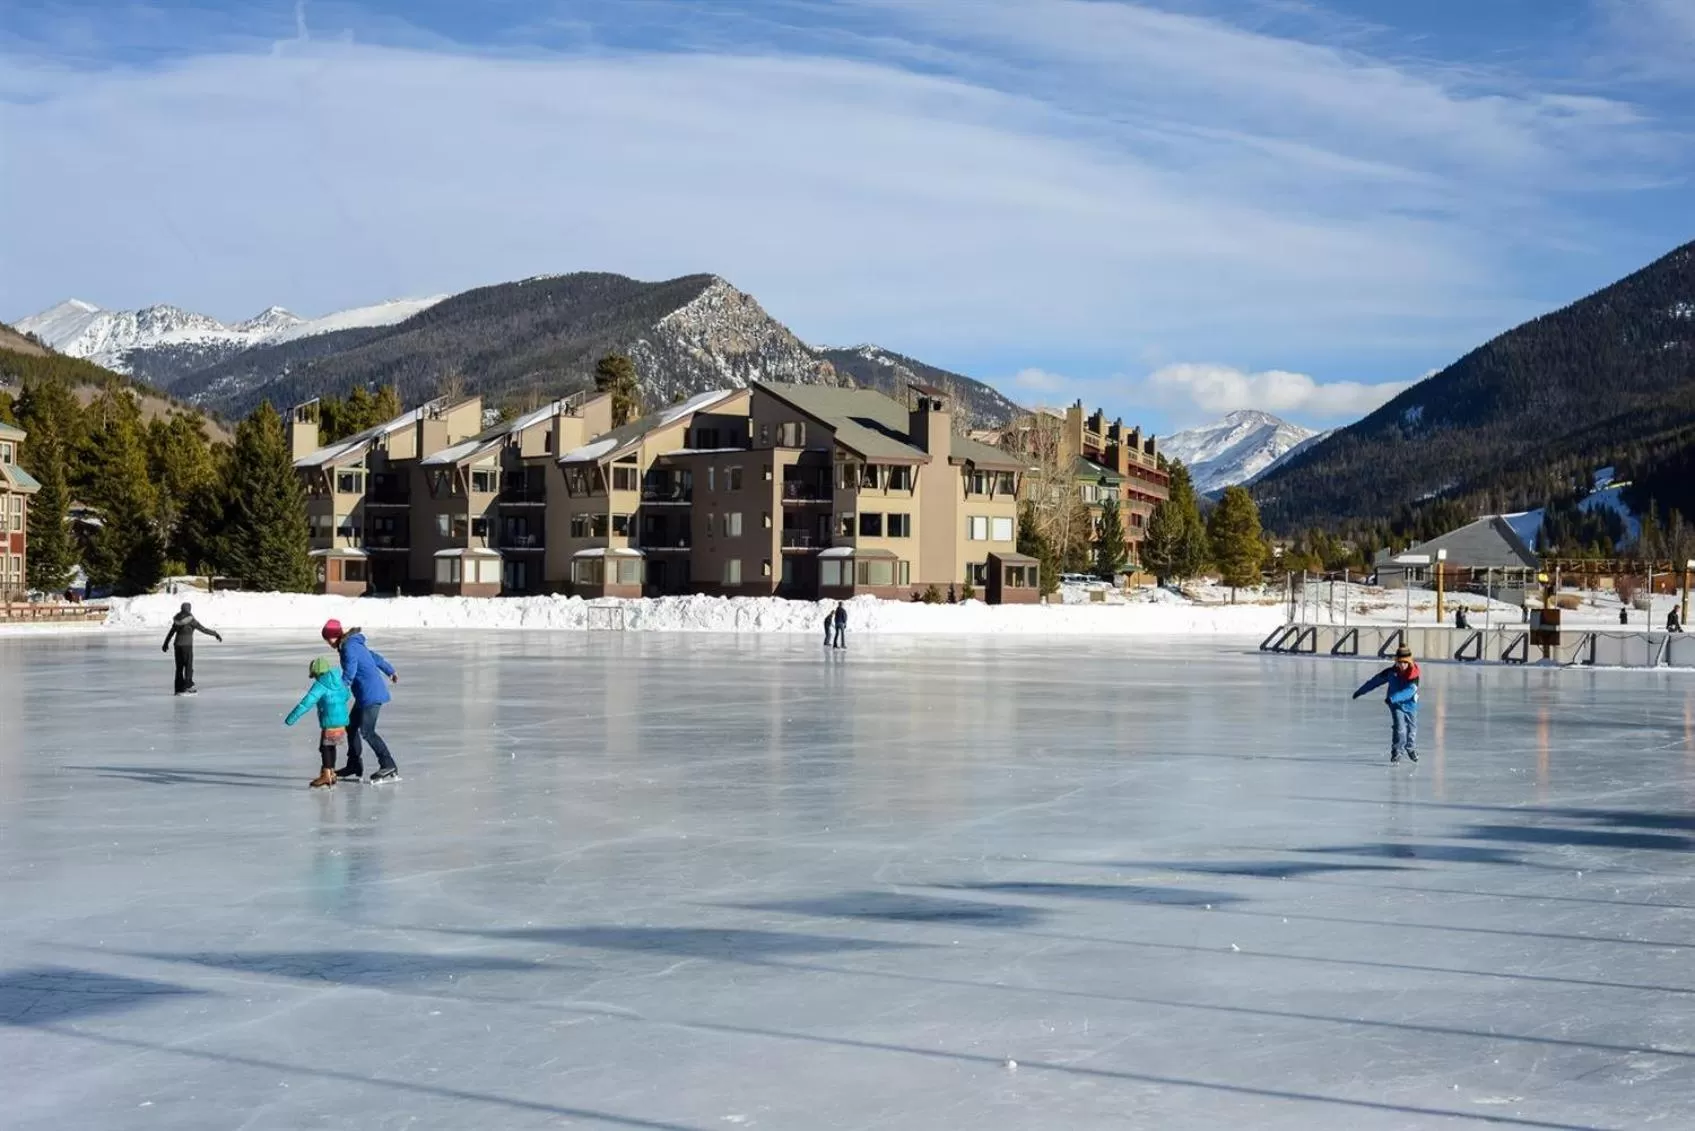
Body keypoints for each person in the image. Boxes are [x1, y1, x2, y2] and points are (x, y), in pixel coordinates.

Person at [321, 619, 401, 782]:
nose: (328, 642)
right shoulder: (353, 644)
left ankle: (388, 764)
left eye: (328, 638)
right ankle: (354, 765)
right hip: (366, 693)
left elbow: (350, 672)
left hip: (370, 694)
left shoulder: (348, 648)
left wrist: (339, 690)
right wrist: (390, 670)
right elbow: (374, 657)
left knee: (367, 730)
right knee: (351, 728)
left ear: (335, 636)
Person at [284, 656, 353, 788]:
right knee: (329, 746)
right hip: (342, 720)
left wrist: (291, 718)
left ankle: (327, 775)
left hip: (330, 720)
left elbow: (306, 703)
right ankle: (331, 773)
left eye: (314, 675)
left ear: (318, 674)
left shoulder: (320, 685)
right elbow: (347, 695)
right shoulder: (340, 681)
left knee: (326, 748)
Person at [1352, 644, 1419, 764]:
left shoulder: (1414, 674)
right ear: (1396, 662)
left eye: (1405, 662)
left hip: (1410, 704)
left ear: (1409, 662)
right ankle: (1397, 750)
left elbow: (1410, 691)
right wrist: (1360, 691)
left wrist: (1393, 698)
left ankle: (1411, 748)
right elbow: (1374, 681)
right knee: (1400, 728)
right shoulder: (1391, 672)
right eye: (1400, 662)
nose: (1402, 665)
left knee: (1412, 728)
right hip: (1395, 705)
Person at [160, 601, 222, 695]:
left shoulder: (177, 619)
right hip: (187, 646)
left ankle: (178, 688)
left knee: (179, 667)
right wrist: (215, 634)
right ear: (189, 609)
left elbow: (171, 632)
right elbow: (203, 629)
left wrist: (165, 644)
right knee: (188, 666)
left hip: (177, 645)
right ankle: (188, 686)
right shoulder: (191, 620)